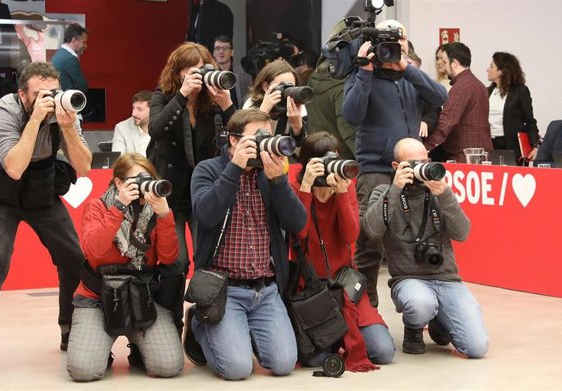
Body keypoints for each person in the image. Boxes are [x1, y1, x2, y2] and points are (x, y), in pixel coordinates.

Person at [0, 62, 92, 374]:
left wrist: (68, 126)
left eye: (54, 92)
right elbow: (15, 168)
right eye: (41, 94)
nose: (50, 98)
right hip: (1, 191)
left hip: (41, 190)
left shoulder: (65, 110)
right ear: (22, 94)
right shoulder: (5, 110)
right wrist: (34, 120)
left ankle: (70, 329)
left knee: (74, 257)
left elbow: (84, 168)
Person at [186, 109, 306, 380]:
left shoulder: (270, 174)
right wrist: (234, 169)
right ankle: (199, 323)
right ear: (233, 140)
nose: (265, 143)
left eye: (268, 136)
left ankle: (244, 331)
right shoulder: (208, 170)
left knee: (284, 364)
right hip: (223, 289)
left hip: (265, 289)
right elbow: (205, 215)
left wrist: (278, 182)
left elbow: (297, 223)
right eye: (257, 137)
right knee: (237, 369)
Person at [342, 19, 447, 308]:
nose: (393, 48)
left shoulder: (410, 76)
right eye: (389, 43)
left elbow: (441, 97)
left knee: (418, 234)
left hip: (412, 169)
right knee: (369, 244)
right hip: (375, 169)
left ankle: (421, 309)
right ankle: (365, 308)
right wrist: (364, 71)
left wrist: (408, 68)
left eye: (400, 42)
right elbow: (351, 115)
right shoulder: (363, 74)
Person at [362, 137, 489, 358]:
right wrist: (395, 189)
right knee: (420, 304)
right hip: (409, 279)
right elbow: (371, 231)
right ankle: (414, 327)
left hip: (448, 280)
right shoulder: (383, 192)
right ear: (396, 166)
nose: (421, 169)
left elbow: (463, 233)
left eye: (424, 161)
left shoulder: (438, 191)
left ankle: (439, 320)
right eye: (413, 164)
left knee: (476, 348)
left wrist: (445, 194)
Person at [67, 153, 184, 381]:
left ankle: (138, 347)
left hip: (142, 296)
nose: (143, 185)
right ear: (119, 182)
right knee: (84, 371)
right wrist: (119, 208)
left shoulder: (155, 210)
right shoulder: (97, 207)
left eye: (147, 178)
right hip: (98, 297)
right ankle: (98, 346)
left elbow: (169, 258)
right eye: (136, 180)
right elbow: (94, 252)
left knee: (168, 366)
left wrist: (164, 215)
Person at [147, 41, 235, 332]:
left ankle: (204, 324)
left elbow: (240, 134)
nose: (198, 76)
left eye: (203, 70)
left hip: (203, 189)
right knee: (176, 260)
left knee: (207, 259)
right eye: (191, 71)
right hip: (170, 190)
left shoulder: (213, 100)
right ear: (178, 73)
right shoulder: (164, 95)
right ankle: (169, 323)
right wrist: (183, 96)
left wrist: (227, 104)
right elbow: (156, 130)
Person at [291, 132, 395, 369]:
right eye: (324, 162)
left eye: (335, 160)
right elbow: (300, 233)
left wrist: (340, 194)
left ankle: (339, 335)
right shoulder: (295, 186)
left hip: (345, 284)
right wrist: (306, 187)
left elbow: (351, 236)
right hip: (311, 289)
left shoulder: (345, 187)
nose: (331, 168)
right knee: (315, 359)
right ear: (308, 164)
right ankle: (335, 336)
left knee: (383, 351)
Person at [424, 42, 492, 161]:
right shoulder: (479, 84)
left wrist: (425, 148)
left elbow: (446, 122)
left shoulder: (461, 87)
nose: (443, 66)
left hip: (464, 156)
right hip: (482, 153)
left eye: (445, 62)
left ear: (454, 63)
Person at [486, 52, 539, 163]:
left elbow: (530, 121)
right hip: (490, 144)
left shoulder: (520, 91)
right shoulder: (488, 91)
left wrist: (535, 145)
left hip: (511, 146)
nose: (487, 69)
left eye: (491, 66)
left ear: (501, 71)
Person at [243, 60, 308, 144]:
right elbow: (244, 141)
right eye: (282, 86)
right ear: (266, 87)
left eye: (291, 87)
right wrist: (262, 113)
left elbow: (301, 152)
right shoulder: (252, 103)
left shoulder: (297, 107)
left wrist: (297, 127)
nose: (286, 91)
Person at [306, 57, 357, 160]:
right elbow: (348, 129)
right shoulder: (342, 86)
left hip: (318, 150)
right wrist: (365, 160)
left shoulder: (315, 77)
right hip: (342, 158)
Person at [212, 35, 252, 109]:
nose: (221, 51)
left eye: (225, 48)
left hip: (238, 116)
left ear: (232, 53)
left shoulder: (243, 74)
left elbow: (249, 99)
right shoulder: (210, 74)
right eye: (218, 48)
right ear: (214, 53)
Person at [51, 23, 88, 94]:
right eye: (84, 42)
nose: (85, 46)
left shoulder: (60, 54)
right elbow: (83, 86)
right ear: (74, 40)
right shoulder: (69, 59)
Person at [112, 90, 153, 155]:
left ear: (152, 110)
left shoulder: (163, 126)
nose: (133, 114)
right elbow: (118, 161)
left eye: (140, 109)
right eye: (133, 108)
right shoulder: (121, 128)